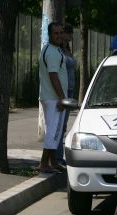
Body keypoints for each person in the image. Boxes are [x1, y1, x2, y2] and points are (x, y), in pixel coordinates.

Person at [38, 22, 68, 173]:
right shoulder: (52, 52)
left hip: (51, 96)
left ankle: (53, 162)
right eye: (56, 33)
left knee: (55, 129)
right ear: (50, 34)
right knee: (53, 130)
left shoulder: (53, 49)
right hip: (54, 98)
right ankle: (44, 163)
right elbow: (53, 75)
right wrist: (62, 98)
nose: (59, 35)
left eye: (61, 32)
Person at [56, 23, 77, 166]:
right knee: (59, 124)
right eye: (67, 32)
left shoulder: (67, 50)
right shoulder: (58, 51)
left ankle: (59, 156)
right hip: (63, 90)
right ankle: (57, 157)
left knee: (64, 125)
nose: (70, 35)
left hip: (70, 89)